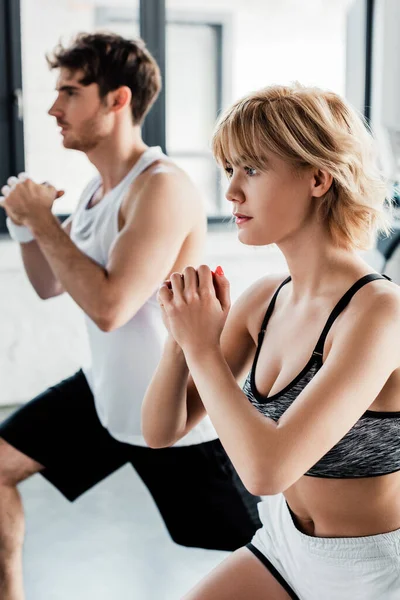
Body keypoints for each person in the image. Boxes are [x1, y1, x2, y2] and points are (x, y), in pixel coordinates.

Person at [0, 32, 261, 600]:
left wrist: (42, 222)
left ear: (118, 100)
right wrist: (27, 225)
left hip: (176, 418)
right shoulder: (99, 189)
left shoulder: (161, 187)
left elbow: (109, 306)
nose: (52, 109)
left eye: (70, 92)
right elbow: (50, 284)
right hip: (104, 399)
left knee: (269, 557)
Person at [141, 83, 400, 599]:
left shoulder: (380, 314)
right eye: (229, 171)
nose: (231, 192)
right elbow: (160, 430)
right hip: (285, 544)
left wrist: (201, 349)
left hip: (373, 569)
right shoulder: (264, 300)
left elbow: (268, 468)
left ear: (318, 179)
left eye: (251, 170)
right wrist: (181, 336)